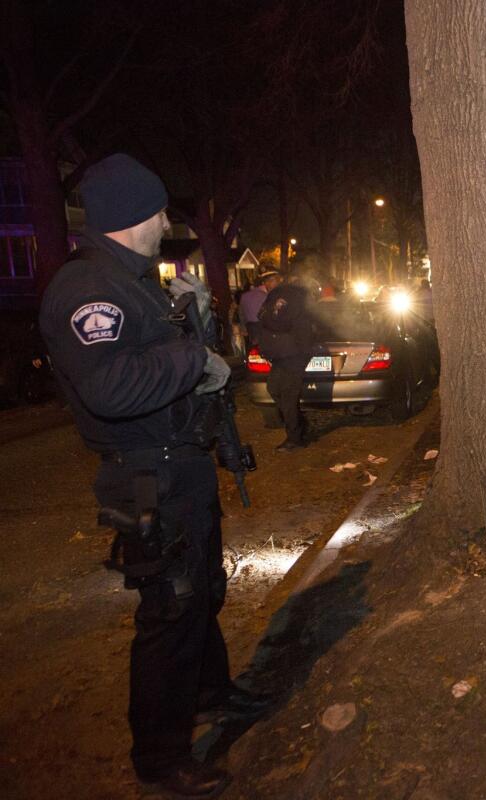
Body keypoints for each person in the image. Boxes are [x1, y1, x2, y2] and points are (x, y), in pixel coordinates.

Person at [38, 153, 238, 796]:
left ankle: (212, 698)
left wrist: (191, 322)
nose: (163, 223)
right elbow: (111, 387)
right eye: (157, 212)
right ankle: (159, 754)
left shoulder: (132, 278)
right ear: (132, 217)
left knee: (201, 593)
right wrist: (191, 358)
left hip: (178, 466)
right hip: (142, 477)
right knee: (168, 612)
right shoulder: (87, 288)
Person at [256, 272, 318, 450]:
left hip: (293, 354)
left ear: (279, 279)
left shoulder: (288, 296)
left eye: (269, 280)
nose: (267, 284)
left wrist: (266, 317)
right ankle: (298, 425)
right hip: (283, 354)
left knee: (288, 395)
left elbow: (278, 322)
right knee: (274, 388)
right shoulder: (279, 296)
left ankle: (295, 438)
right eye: (264, 281)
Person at [237, 269, 281, 348]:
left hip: (251, 332)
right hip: (265, 334)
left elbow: (241, 314)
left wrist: (244, 329)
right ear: (265, 283)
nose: (278, 284)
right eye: (275, 281)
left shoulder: (244, 296)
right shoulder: (268, 297)